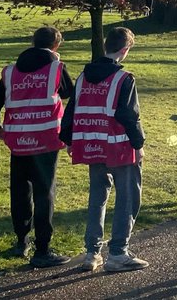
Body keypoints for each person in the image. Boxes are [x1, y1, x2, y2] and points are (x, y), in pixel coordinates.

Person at [0, 26, 75, 267]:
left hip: (17, 140)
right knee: (44, 193)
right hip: (46, 140)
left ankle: (21, 241)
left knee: (20, 191)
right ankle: (42, 250)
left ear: (32, 42)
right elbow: (70, 94)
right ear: (55, 45)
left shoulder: (12, 72)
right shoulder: (56, 67)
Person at [62, 27, 147, 273]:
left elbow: (73, 110)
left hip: (91, 143)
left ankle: (92, 253)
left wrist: (68, 139)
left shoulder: (83, 76)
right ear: (125, 50)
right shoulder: (124, 78)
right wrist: (139, 145)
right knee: (128, 198)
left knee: (97, 198)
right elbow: (130, 115)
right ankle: (119, 253)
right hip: (119, 147)